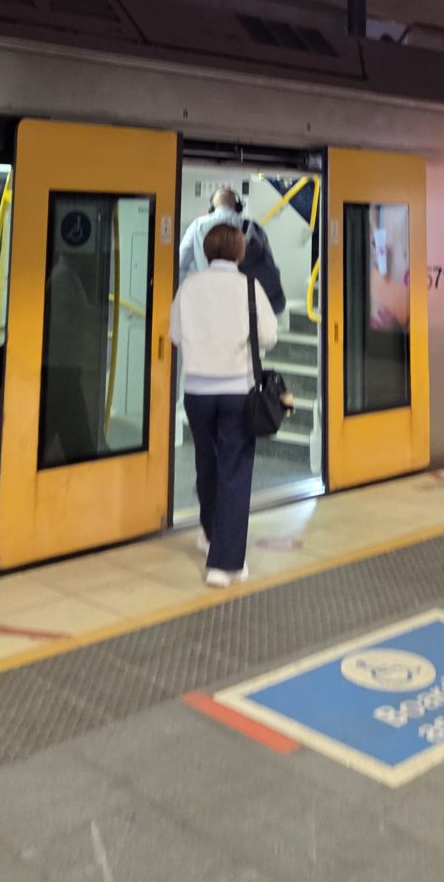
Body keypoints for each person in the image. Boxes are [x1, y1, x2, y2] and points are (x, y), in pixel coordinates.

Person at [169, 223, 278, 587]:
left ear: (206, 251)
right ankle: (225, 564)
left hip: (197, 392)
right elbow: (269, 337)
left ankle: (209, 533)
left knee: (207, 462)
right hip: (236, 392)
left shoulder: (189, 287)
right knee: (234, 471)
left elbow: (175, 334)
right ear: (239, 252)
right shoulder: (249, 287)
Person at [178, 186, 287, 314]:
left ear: (212, 208)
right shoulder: (253, 228)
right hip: (246, 308)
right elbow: (270, 265)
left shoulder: (197, 226)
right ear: (238, 206)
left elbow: (180, 266)